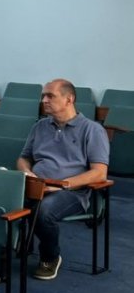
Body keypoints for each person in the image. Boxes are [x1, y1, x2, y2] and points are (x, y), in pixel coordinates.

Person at [17, 79, 109, 281]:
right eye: (43, 96)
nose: (44, 100)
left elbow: (99, 173)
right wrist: (27, 173)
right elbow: (24, 158)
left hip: (71, 192)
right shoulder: (40, 126)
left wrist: (61, 185)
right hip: (35, 185)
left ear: (69, 99)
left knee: (43, 211)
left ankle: (50, 257)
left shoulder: (92, 130)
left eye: (50, 96)